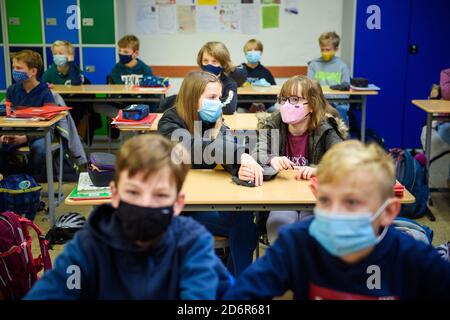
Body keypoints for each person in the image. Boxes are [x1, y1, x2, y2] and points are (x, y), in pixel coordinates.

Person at [225, 140, 450, 300]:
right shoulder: (297, 243)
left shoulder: (412, 257)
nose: (334, 213)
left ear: (388, 212)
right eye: (324, 200)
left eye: (351, 202)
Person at [25, 134, 232, 299]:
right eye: (133, 192)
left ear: (178, 203)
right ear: (114, 193)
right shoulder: (87, 249)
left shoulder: (192, 244)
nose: (145, 204)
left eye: (160, 195)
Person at [158, 70, 260, 276]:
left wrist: (241, 166)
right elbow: (193, 147)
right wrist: (239, 155)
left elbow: (227, 146)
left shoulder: (214, 119)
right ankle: (239, 287)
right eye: (212, 97)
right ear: (192, 98)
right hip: (178, 208)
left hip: (207, 200)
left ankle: (237, 287)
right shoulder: (169, 122)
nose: (218, 103)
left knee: (248, 218)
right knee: (244, 225)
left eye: (219, 98)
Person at [239, 75, 347, 243]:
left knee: (311, 229)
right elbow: (256, 151)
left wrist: (320, 170)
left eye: (295, 99)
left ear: (311, 105)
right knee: (280, 224)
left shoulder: (325, 129)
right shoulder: (273, 124)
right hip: (280, 200)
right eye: (283, 100)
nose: (287, 105)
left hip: (314, 200)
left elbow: (345, 159)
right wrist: (271, 159)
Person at [0, 50, 55, 182]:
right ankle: (13, 177)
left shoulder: (45, 92)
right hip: (15, 132)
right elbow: (7, 116)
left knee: (40, 149)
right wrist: (4, 134)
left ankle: (31, 180)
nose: (15, 71)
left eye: (19, 68)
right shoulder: (12, 90)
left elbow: (50, 123)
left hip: (40, 133)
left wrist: (26, 138)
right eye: (14, 67)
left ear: (33, 71)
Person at [307, 31, 351, 125]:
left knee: (341, 110)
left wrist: (329, 100)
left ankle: (341, 138)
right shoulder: (313, 65)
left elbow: (346, 94)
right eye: (322, 50)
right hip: (319, 102)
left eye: (328, 50)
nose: (325, 52)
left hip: (338, 103)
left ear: (336, 49)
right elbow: (309, 88)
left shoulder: (342, 66)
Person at [197, 41, 238, 114]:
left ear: (223, 64)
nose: (209, 65)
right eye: (205, 61)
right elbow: (187, 104)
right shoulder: (194, 81)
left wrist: (201, 104)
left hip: (220, 122)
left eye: (214, 61)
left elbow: (229, 108)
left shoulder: (230, 83)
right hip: (197, 121)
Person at [238, 39, 277, 113]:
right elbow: (233, 92)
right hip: (244, 107)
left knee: (276, 112)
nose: (253, 52)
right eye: (249, 50)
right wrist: (249, 106)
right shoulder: (239, 71)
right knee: (240, 112)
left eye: (256, 50)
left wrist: (264, 105)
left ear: (261, 52)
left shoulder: (266, 72)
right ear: (245, 52)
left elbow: (274, 93)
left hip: (265, 107)